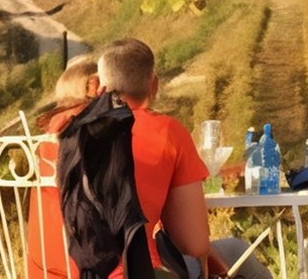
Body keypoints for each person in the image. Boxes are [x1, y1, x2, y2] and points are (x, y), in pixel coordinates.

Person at [30, 38, 270, 279]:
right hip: (131, 273)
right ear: (153, 85)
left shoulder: (57, 133)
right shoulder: (165, 131)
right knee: (237, 251)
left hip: (48, 274)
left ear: (100, 88)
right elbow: (193, 245)